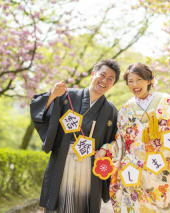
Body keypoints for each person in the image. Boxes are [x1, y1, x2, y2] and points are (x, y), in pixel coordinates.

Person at [96, 62, 170, 212]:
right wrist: (104, 151)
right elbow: (121, 143)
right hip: (135, 174)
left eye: (139, 80)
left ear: (149, 80)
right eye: (130, 81)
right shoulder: (125, 110)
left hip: (163, 171)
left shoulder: (168, 102)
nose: (135, 85)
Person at [30, 59, 121, 213]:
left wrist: (105, 150)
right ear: (93, 74)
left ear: (112, 85)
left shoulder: (111, 111)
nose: (104, 81)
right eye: (102, 75)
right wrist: (53, 95)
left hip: (90, 166)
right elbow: (39, 110)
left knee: (83, 205)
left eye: (110, 79)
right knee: (58, 204)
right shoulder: (67, 95)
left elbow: (117, 141)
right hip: (63, 159)